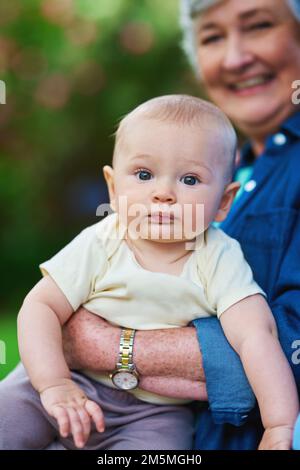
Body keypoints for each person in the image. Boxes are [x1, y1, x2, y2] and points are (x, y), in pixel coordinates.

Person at [59, 0, 300, 450]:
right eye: (212, 37)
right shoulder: (230, 169)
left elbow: (278, 343)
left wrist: (108, 346)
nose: (235, 57)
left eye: (260, 25)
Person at [1, 94, 298, 450]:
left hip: (153, 412)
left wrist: (279, 425)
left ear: (223, 202)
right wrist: (53, 385)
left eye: (189, 179)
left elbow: (257, 338)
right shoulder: (102, 240)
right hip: (67, 381)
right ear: (113, 188)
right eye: (144, 175)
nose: (163, 194)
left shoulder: (218, 257)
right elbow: (40, 307)